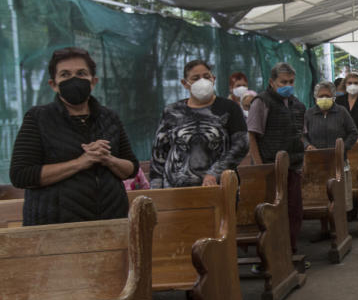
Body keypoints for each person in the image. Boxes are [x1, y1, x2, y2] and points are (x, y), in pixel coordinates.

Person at [10, 47, 138, 225]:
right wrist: (81, 162)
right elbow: (21, 175)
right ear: (53, 84)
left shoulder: (109, 117)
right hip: (55, 227)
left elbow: (131, 168)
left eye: (81, 73)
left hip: (111, 221)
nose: (74, 80)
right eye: (65, 74)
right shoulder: (38, 118)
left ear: (93, 81)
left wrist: (108, 159)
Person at [150, 60, 249, 188]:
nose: (202, 81)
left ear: (213, 79)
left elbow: (242, 145)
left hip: (220, 187)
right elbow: (159, 153)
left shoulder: (229, 108)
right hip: (177, 191)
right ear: (185, 83)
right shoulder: (172, 111)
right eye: (195, 78)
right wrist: (156, 189)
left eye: (206, 77)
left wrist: (215, 172)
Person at [247, 62, 306, 254]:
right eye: (283, 82)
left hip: (293, 165)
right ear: (272, 82)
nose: (287, 85)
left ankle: (290, 252)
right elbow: (253, 135)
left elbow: (301, 136)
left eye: (290, 81)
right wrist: (260, 166)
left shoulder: (298, 105)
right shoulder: (261, 102)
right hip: (270, 167)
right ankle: (271, 255)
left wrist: (302, 163)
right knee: (272, 213)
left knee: (294, 211)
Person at [303, 81, 358, 153]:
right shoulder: (309, 113)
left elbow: (353, 133)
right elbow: (302, 135)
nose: (324, 98)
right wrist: (307, 145)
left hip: (338, 158)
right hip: (315, 158)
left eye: (327, 96)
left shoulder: (342, 112)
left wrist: (344, 147)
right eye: (321, 96)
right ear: (316, 98)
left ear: (333, 97)